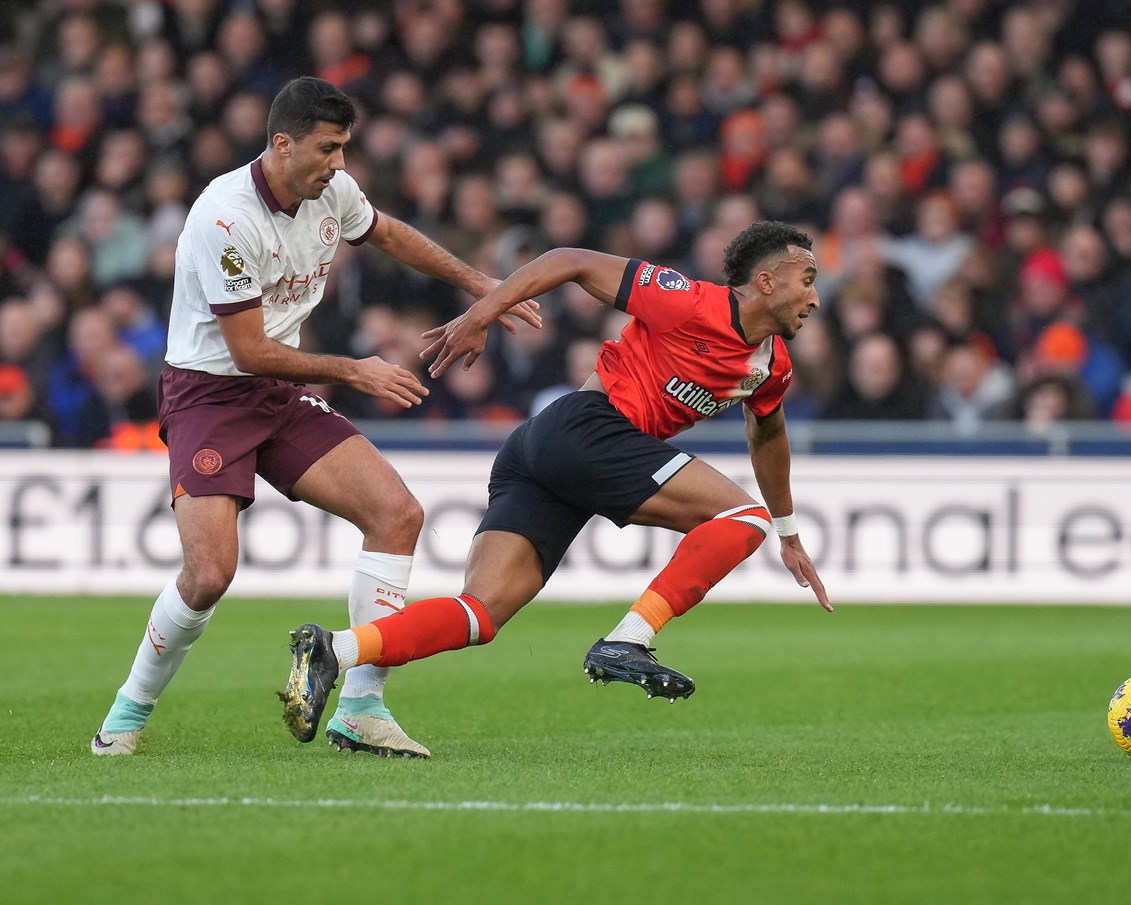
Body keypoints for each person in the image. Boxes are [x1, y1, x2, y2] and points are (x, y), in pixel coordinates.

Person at [90, 77, 540, 759]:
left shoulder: (333, 191)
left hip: (278, 392)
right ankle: (125, 714)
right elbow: (246, 349)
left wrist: (482, 285)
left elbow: (387, 234)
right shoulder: (225, 217)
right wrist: (353, 370)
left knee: (398, 515)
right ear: (282, 144)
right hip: (210, 395)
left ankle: (361, 707)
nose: (338, 163)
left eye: (344, 148)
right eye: (328, 148)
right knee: (209, 573)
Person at [278, 221, 833, 744]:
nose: (813, 297)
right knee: (740, 518)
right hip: (585, 426)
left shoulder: (771, 365)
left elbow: (768, 436)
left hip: (550, 451)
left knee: (481, 613)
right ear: (766, 280)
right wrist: (481, 314)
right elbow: (571, 260)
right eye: (807, 280)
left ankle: (335, 650)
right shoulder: (690, 300)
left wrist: (788, 532)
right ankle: (628, 640)